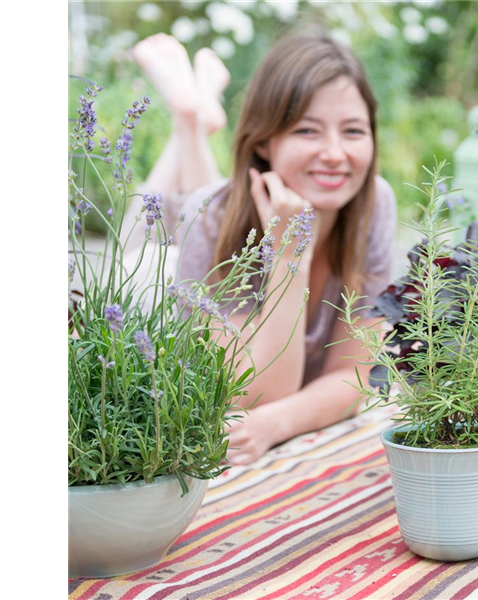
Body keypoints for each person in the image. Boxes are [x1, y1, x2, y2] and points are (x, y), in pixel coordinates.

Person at [132, 29, 397, 465]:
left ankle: (193, 119)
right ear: (263, 140)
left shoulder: (373, 204)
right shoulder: (210, 217)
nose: (335, 154)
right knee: (159, 230)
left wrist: (277, 423)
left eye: (353, 130)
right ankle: (188, 119)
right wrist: (291, 250)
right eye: (308, 130)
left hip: (224, 214)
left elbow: (354, 375)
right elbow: (253, 395)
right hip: (149, 296)